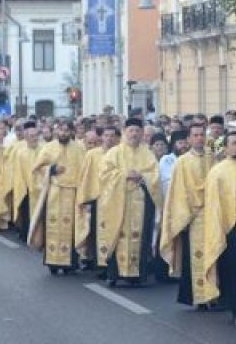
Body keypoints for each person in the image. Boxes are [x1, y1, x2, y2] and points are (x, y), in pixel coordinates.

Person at [96, 118, 162, 286]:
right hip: (119, 203)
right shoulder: (114, 153)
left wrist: (142, 176)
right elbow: (103, 175)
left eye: (137, 131)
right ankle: (114, 273)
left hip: (141, 203)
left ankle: (137, 274)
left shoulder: (148, 153)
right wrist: (124, 174)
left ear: (141, 133)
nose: (134, 134)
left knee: (140, 237)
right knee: (117, 234)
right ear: (125, 131)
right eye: (131, 130)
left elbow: (155, 176)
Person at [202, 130, 236, 326]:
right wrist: (220, 229)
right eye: (233, 143)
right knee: (235, 272)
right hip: (230, 227)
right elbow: (214, 204)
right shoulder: (217, 171)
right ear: (225, 148)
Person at [160, 123, 216, 308]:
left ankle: (216, 295)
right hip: (194, 216)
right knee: (196, 256)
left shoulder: (214, 158)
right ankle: (200, 297)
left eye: (202, 135)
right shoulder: (182, 162)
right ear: (190, 139)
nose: (199, 138)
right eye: (196, 135)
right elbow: (178, 191)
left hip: (214, 214)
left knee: (216, 253)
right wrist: (185, 215)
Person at [28, 121, 85, 274]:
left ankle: (70, 263)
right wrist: (52, 169)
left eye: (66, 130)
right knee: (52, 226)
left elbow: (84, 172)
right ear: (56, 131)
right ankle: (53, 261)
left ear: (71, 132)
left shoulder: (79, 149)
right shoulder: (48, 147)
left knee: (71, 227)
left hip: (72, 193)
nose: (63, 133)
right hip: (53, 191)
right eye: (60, 129)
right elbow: (37, 168)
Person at [75, 125, 118, 268]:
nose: (109, 139)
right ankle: (94, 261)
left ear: (117, 138)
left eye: (112, 136)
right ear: (102, 138)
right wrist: (84, 198)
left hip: (115, 198)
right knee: (94, 231)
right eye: (106, 135)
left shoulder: (120, 153)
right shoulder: (92, 154)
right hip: (96, 198)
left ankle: (111, 262)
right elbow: (85, 177)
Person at [12, 121, 41, 242]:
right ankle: (26, 234)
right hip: (26, 187)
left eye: (36, 136)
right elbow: (18, 172)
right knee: (26, 212)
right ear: (26, 137)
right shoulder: (21, 153)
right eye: (31, 136)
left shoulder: (44, 150)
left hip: (41, 187)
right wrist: (23, 186)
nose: (34, 138)